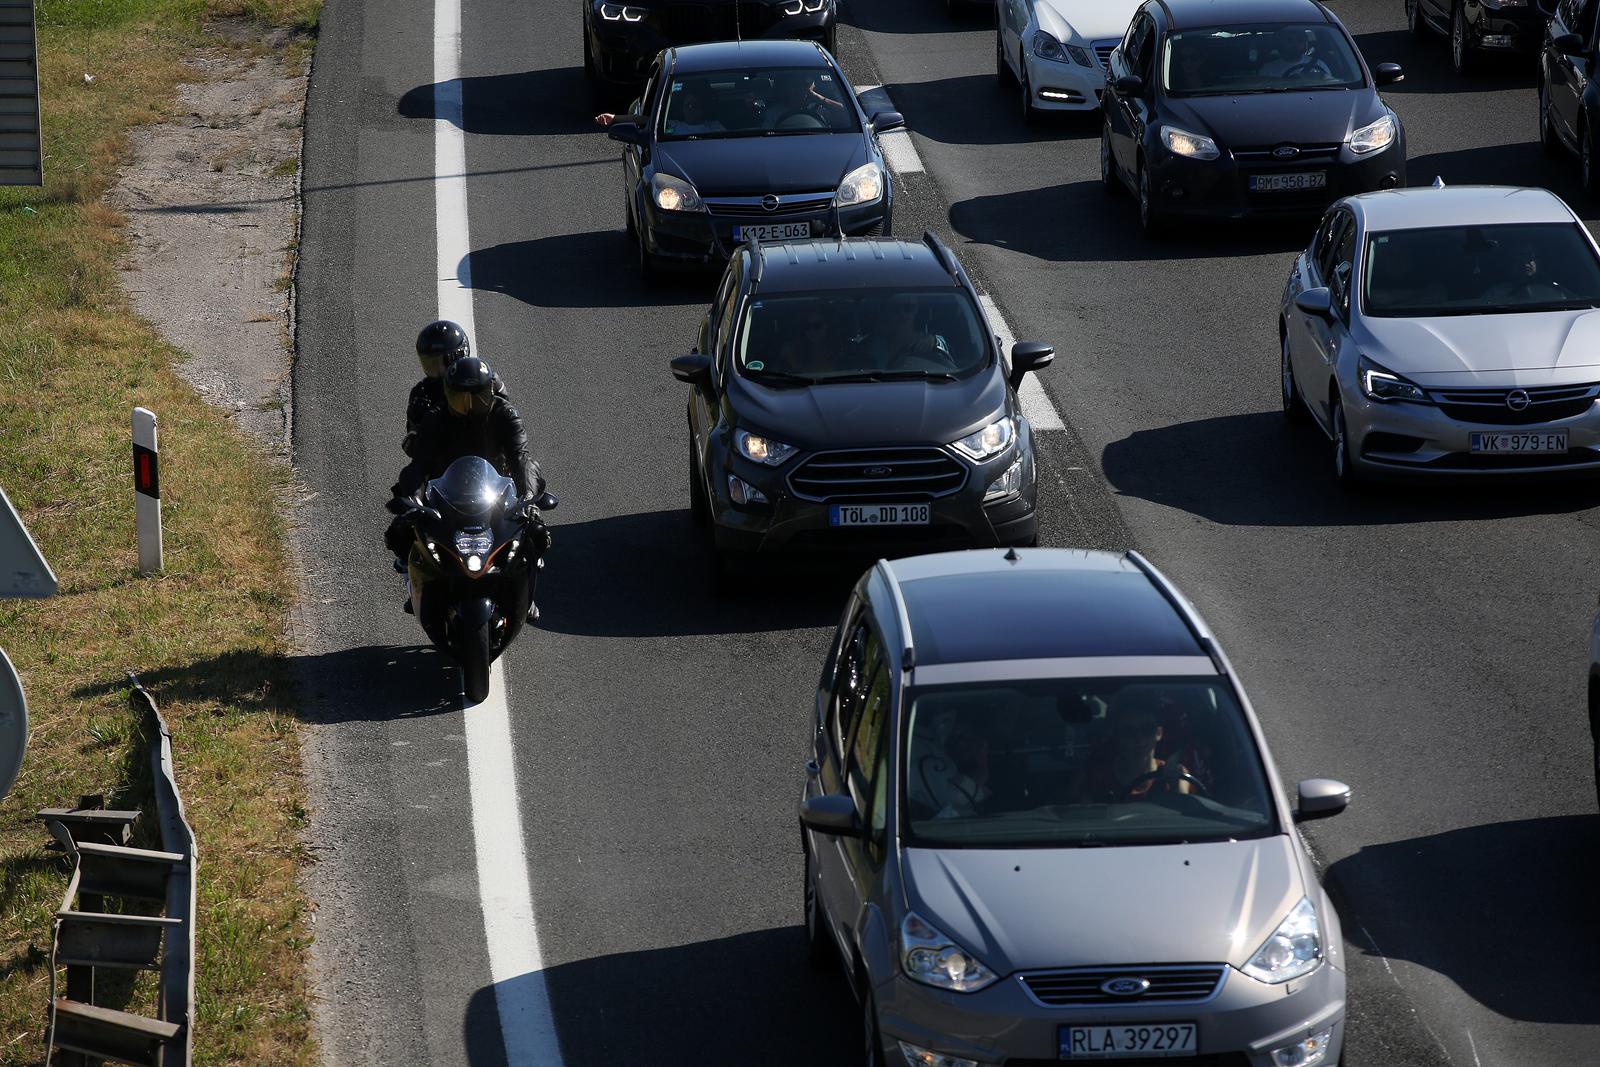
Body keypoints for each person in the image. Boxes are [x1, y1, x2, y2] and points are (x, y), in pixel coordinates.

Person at [387, 357, 549, 619]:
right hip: (446, 491)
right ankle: (414, 583)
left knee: (538, 532)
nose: (469, 406)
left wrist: (529, 497)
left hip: (496, 490)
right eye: (460, 397)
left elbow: (522, 458)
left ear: (490, 392)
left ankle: (526, 593)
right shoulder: (436, 419)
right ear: (448, 394)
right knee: (400, 530)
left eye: (477, 397)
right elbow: (418, 466)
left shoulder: (505, 415)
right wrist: (413, 501)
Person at [405, 320, 506, 457]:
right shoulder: (422, 393)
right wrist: (419, 424)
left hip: (488, 462)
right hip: (445, 469)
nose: (436, 371)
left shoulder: (487, 381)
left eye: (438, 363)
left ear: (458, 355)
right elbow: (412, 448)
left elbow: (506, 420)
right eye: (429, 364)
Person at [1080, 700, 1192, 802]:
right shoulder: (1096, 777)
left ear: (1158, 733)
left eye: (1147, 730)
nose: (1139, 739)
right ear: (1117, 736)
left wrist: (1176, 788)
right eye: (1129, 732)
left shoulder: (1174, 775)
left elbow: (1189, 820)